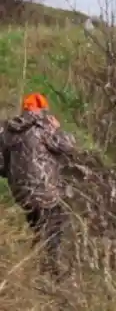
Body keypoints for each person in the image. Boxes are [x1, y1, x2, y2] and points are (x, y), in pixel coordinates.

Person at [0, 93, 78, 277]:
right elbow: (67, 146)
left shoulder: (7, 130)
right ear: (42, 109)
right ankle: (51, 269)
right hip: (44, 191)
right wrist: (57, 129)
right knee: (57, 222)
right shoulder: (44, 126)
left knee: (38, 225)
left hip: (20, 193)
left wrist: (15, 175)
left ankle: (38, 267)